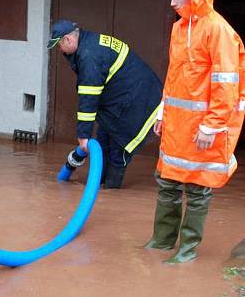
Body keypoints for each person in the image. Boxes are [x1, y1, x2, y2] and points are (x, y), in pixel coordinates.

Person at [145, 0, 245, 264]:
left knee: (198, 188)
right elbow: (174, 77)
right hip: (177, 126)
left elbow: (227, 84)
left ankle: (186, 251)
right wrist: (162, 114)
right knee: (168, 181)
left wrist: (211, 127)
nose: (172, 3)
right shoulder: (179, 28)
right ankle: (161, 242)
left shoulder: (219, 31)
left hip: (203, 128)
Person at [47, 20, 163, 189]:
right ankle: (100, 186)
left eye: (59, 45)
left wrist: (83, 136)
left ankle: (111, 190)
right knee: (102, 145)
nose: (59, 50)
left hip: (137, 105)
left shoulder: (89, 56)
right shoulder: (89, 43)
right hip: (120, 103)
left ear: (68, 40)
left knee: (118, 150)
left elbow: (88, 98)